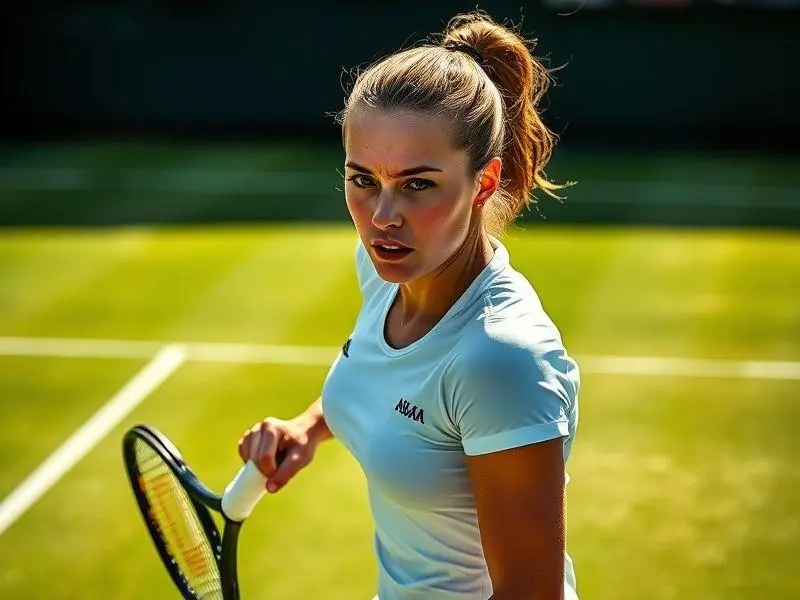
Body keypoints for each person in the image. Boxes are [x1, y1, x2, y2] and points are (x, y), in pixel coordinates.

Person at [238, 11, 580, 600]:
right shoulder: (385, 275)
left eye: (418, 184)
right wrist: (310, 428)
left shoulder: (499, 360)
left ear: (484, 181)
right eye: (363, 179)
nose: (381, 217)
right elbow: (393, 383)